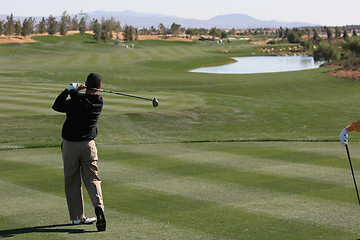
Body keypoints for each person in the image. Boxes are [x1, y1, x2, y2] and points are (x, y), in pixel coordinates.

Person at [52, 73, 106, 231]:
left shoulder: (76, 101)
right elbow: (85, 100)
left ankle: (77, 218)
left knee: (72, 182)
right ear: (100, 87)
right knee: (93, 179)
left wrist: (69, 89)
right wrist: (77, 93)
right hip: (88, 147)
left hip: (70, 146)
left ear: (85, 84)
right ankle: (99, 207)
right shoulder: (99, 102)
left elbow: (57, 105)